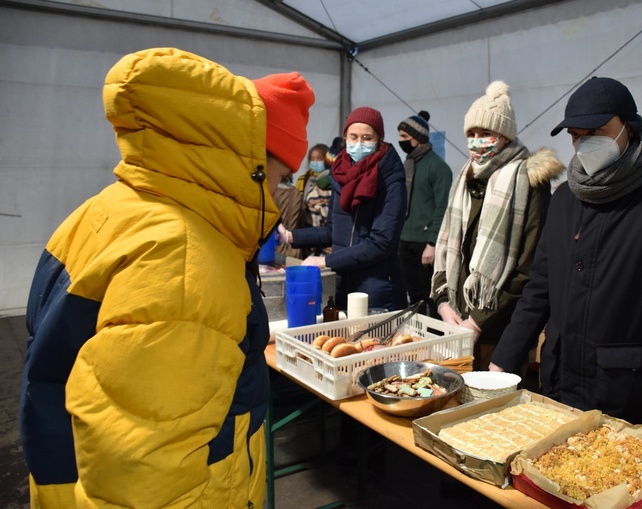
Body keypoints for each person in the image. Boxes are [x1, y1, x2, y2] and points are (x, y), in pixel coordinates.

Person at [18, 47, 314, 507]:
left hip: (63, 479)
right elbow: (145, 480)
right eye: (280, 179)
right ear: (253, 164)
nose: (278, 197)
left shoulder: (111, 209)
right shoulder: (185, 263)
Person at [489, 77, 642, 449]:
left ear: (628, 127)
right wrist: (503, 361)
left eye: (597, 130)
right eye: (577, 134)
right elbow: (539, 288)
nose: (585, 142)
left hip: (629, 394)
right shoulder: (566, 198)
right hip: (561, 383)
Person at [432, 81, 565, 371]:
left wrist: (478, 321)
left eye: (486, 133)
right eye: (472, 134)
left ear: (504, 136)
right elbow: (451, 250)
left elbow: (527, 265)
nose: (477, 141)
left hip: (501, 328)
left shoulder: (528, 180)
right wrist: (443, 303)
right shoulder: (465, 178)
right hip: (458, 321)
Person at [278, 107, 408, 312]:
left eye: (367, 138)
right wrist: (291, 236)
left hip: (378, 290)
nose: (359, 143)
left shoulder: (391, 178)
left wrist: (326, 261)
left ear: (379, 140)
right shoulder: (340, 175)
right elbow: (333, 230)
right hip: (344, 286)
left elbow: (382, 242)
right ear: (345, 138)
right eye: (353, 137)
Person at [397, 111, 452, 317]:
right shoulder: (408, 164)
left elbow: (442, 207)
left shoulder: (438, 167)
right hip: (405, 239)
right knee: (413, 294)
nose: (401, 142)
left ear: (417, 137)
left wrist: (432, 243)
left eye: (405, 137)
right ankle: (416, 334)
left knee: (431, 296)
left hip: (425, 243)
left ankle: (434, 337)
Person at [273, 175, 304, 259]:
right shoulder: (297, 193)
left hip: (275, 249)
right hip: (295, 248)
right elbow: (302, 222)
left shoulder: (272, 193)